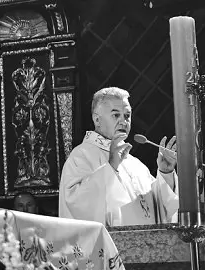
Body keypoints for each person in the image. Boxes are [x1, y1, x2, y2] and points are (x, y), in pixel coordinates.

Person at [59, 86, 179, 227]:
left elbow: (159, 209)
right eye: (116, 115)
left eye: (127, 115)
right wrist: (111, 168)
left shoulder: (135, 164)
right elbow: (75, 205)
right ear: (97, 120)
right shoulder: (81, 156)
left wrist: (166, 173)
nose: (123, 121)